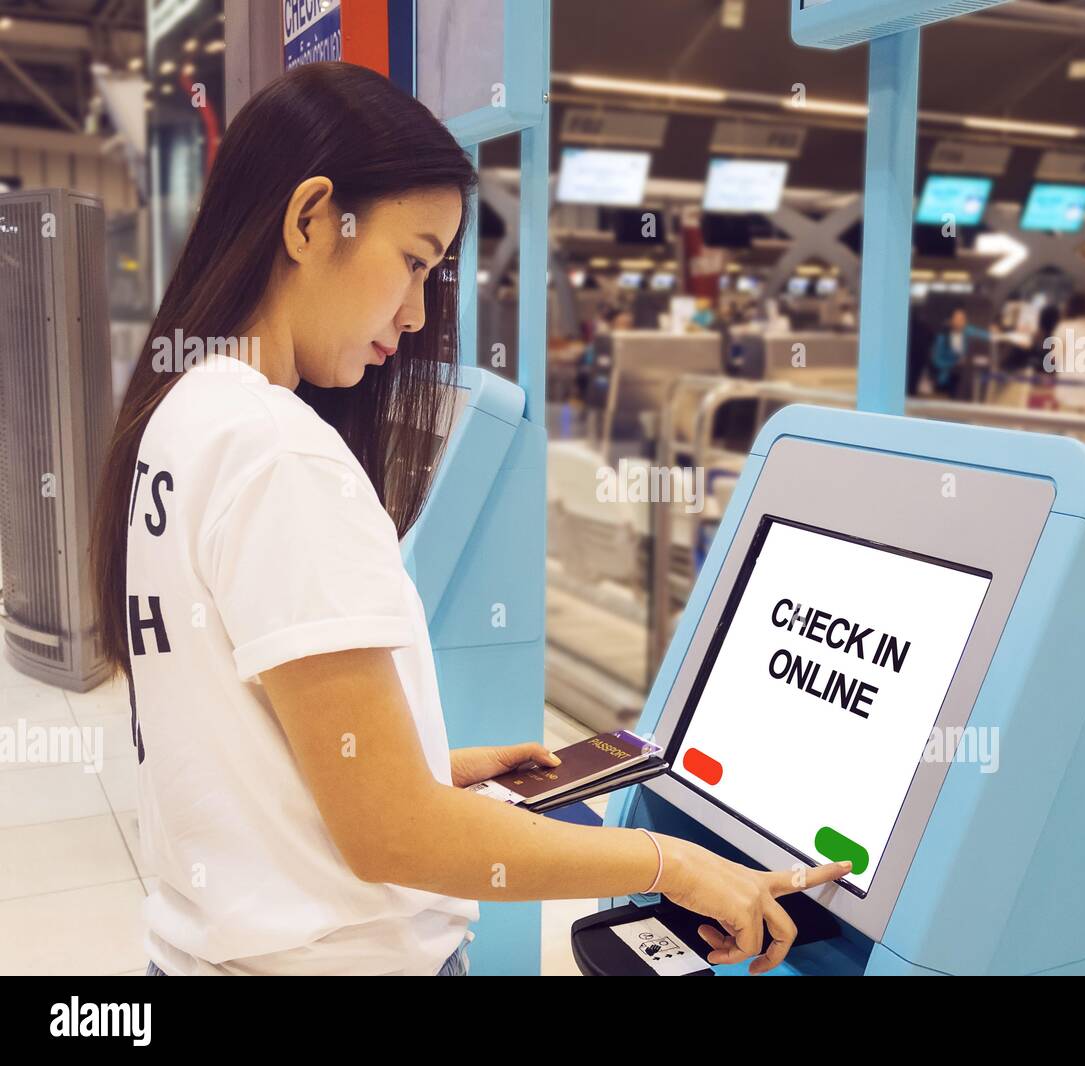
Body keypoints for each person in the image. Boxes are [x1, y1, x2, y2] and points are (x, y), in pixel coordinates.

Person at [89, 62, 847, 977]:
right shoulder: (281, 453)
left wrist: (424, 767)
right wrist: (672, 862)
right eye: (412, 260)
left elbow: (230, 745)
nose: (415, 314)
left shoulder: (182, 416)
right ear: (309, 218)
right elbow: (391, 838)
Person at [1046, 292, 1085, 412]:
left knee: (1066, 420)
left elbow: (1056, 357)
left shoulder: (1063, 327)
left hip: (1068, 379)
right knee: (1081, 424)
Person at [929, 308, 990, 398]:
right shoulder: (942, 338)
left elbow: (986, 335)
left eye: (962, 319)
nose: (960, 322)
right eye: (956, 319)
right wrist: (954, 364)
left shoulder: (969, 331)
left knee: (977, 378)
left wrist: (992, 332)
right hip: (949, 372)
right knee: (958, 382)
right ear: (950, 321)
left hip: (967, 371)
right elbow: (936, 359)